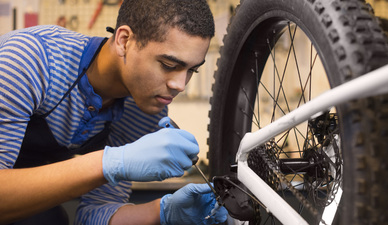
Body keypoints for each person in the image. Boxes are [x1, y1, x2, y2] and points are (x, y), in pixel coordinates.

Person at [0, 0, 228, 224]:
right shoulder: (29, 62)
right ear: (124, 40)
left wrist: (162, 212)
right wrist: (110, 163)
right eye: (169, 65)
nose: (180, 84)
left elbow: (94, 214)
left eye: (192, 70)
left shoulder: (144, 110)